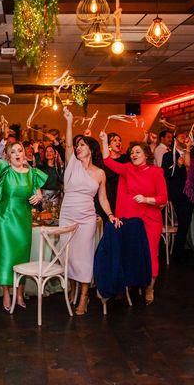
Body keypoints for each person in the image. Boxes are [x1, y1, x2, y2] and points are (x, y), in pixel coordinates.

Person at [60, 109, 119, 315]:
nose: (77, 147)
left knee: (84, 257)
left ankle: (83, 297)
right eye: (77, 145)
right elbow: (67, 144)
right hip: (67, 214)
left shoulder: (100, 173)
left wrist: (110, 215)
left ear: (91, 150)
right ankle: (72, 287)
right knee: (68, 255)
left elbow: (102, 198)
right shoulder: (72, 163)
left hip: (86, 218)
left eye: (82, 145)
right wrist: (69, 121)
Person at [100, 131, 167, 305]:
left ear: (146, 154)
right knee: (130, 253)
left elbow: (163, 198)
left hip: (150, 219)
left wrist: (146, 199)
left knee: (151, 253)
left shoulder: (156, 172)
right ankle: (130, 284)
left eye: (137, 152)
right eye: (132, 152)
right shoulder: (127, 169)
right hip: (130, 220)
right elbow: (108, 161)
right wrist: (104, 140)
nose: (134, 154)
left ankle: (150, 287)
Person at [0, 122, 46, 311]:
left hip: (24, 221)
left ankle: (20, 292)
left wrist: (38, 196)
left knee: (22, 258)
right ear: (8, 156)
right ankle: (6, 293)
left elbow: (39, 194)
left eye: (19, 150)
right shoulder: (4, 170)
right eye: (13, 152)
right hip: (5, 220)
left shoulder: (32, 173)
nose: (17, 154)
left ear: (24, 152)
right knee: (6, 257)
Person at [161, 132, 192, 261]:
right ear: (175, 139)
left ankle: (180, 249)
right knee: (184, 220)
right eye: (181, 137)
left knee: (187, 221)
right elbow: (165, 174)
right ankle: (178, 252)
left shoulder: (190, 154)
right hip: (176, 193)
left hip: (189, 193)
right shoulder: (168, 155)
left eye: (185, 137)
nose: (184, 138)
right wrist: (178, 166)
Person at [102, 132, 130, 218]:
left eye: (120, 140)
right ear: (109, 145)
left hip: (124, 193)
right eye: (115, 140)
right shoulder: (103, 161)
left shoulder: (126, 158)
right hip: (110, 193)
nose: (118, 142)